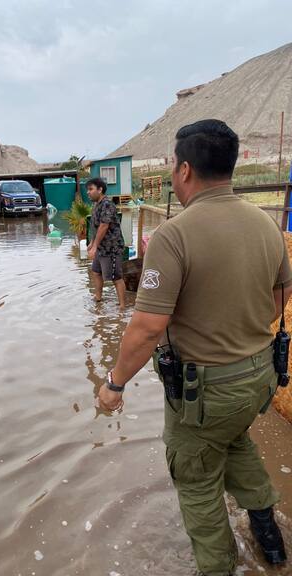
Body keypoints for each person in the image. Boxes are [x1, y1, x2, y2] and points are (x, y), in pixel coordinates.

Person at [98, 119, 290, 576]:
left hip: (206, 394)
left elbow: (145, 328)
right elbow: (280, 295)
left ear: (184, 170)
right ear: (232, 165)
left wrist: (113, 384)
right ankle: (273, 543)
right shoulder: (267, 225)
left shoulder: (173, 235)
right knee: (233, 441)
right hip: (259, 379)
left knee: (197, 480)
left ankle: (218, 568)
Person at [86, 177, 126, 307]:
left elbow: (104, 226)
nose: (88, 192)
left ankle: (122, 307)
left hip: (112, 248)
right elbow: (95, 226)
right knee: (96, 271)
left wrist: (94, 247)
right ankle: (98, 298)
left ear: (100, 189)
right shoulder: (96, 205)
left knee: (116, 278)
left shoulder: (107, 204)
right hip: (101, 248)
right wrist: (92, 242)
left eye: (91, 189)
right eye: (88, 190)